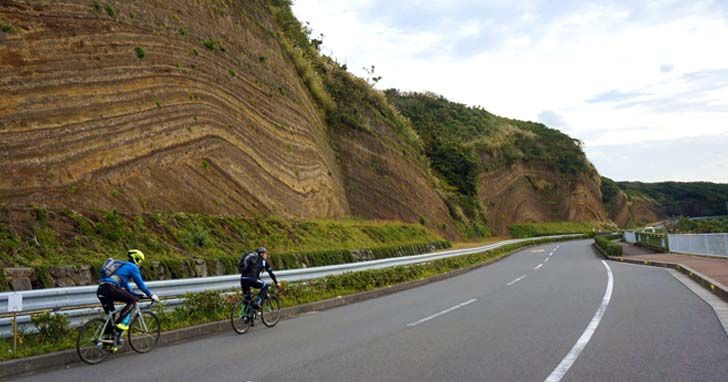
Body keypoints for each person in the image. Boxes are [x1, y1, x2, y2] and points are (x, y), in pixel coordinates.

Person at [96, 249, 159, 335]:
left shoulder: (123, 267)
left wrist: (134, 294)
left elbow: (126, 286)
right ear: (137, 259)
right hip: (110, 288)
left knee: (111, 317)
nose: (141, 264)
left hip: (101, 289)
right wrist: (150, 294)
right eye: (141, 262)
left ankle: (108, 341)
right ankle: (121, 323)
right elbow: (140, 284)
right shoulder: (132, 267)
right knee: (132, 300)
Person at [239, 247, 280, 312]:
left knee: (248, 299)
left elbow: (256, 275)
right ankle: (258, 303)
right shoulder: (263, 262)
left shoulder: (251, 261)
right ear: (261, 254)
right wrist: (276, 282)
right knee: (265, 285)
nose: (266, 255)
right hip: (252, 279)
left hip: (243, 279)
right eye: (265, 254)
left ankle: (246, 316)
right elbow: (271, 273)